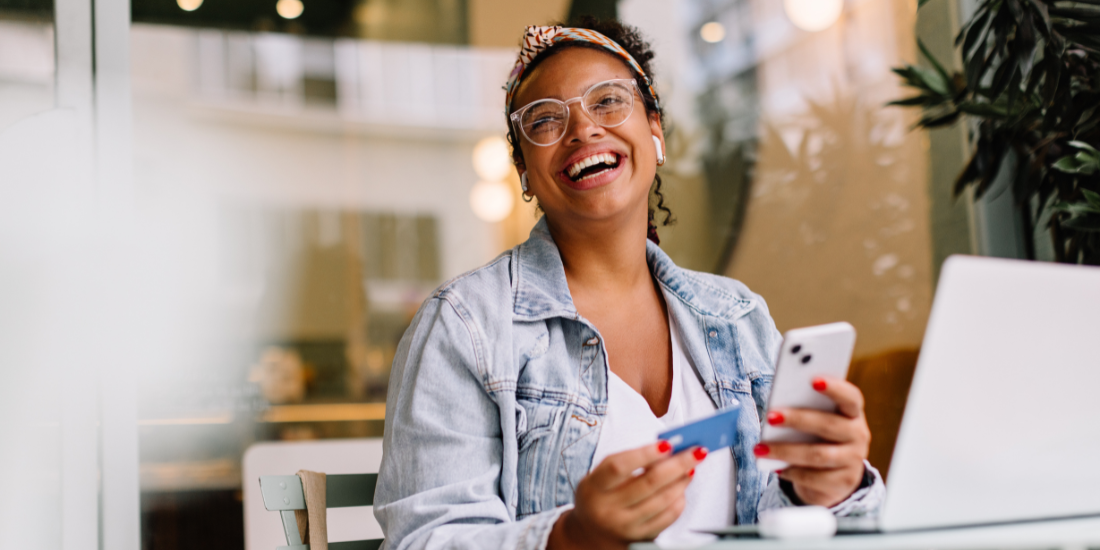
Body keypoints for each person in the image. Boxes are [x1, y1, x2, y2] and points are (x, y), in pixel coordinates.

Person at [374, 18, 885, 550]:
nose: (583, 130)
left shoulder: (737, 315)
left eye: (608, 101)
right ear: (524, 170)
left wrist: (828, 491)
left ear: (655, 130)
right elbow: (423, 541)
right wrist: (573, 536)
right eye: (545, 120)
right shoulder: (464, 326)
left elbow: (780, 517)